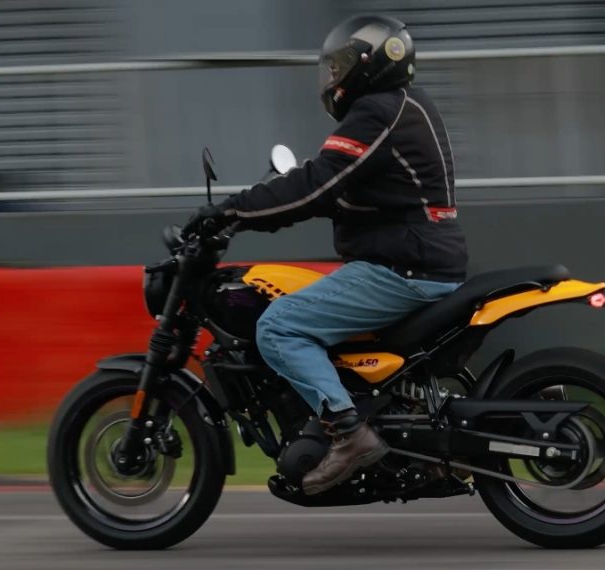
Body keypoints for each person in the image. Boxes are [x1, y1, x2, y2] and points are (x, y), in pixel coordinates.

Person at [185, 14, 468, 496]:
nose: (333, 76)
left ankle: (348, 432)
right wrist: (257, 210)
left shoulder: (378, 111)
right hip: (417, 260)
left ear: (370, 63)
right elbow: (334, 191)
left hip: (404, 268)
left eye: (340, 65)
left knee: (278, 326)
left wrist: (229, 212)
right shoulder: (404, 106)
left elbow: (317, 184)